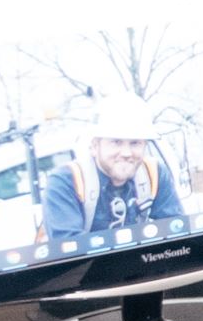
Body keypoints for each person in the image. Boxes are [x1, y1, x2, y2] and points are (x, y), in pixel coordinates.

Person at [37, 96, 183, 242]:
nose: (126, 153)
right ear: (95, 146)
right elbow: (70, 252)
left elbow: (177, 232)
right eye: (116, 142)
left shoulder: (154, 174)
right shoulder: (67, 181)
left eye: (135, 143)